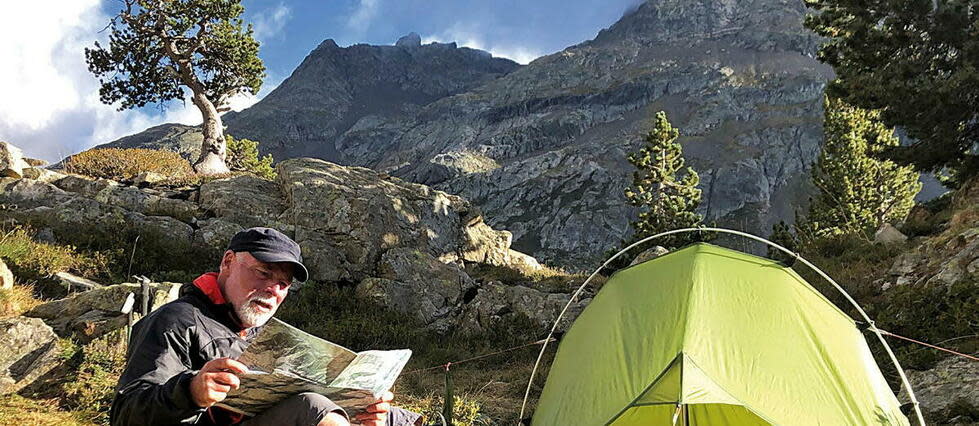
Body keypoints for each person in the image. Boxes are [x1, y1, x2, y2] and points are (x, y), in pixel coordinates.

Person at [110, 227, 422, 426]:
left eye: (283, 284)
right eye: (263, 273)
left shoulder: (264, 337)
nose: (274, 290)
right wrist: (190, 392)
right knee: (311, 407)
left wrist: (368, 413)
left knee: (376, 413)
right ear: (228, 262)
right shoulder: (175, 321)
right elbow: (124, 416)